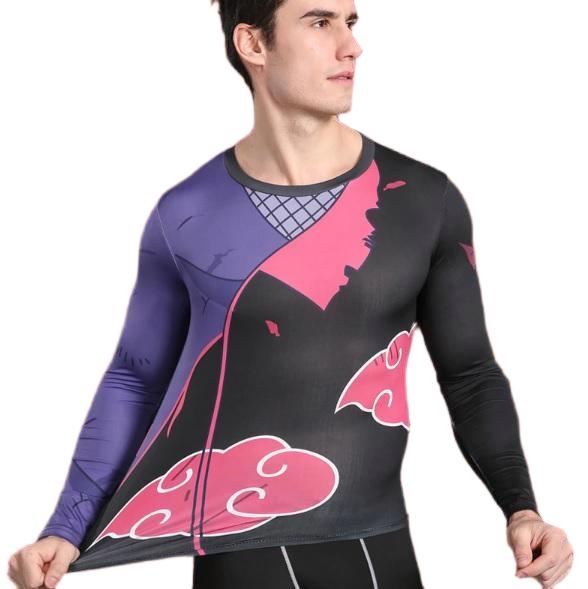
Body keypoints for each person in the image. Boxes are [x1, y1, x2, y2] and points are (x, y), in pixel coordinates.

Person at [7, 1, 574, 588]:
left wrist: (522, 509)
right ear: (253, 44)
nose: (351, 46)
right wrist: (65, 528)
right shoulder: (186, 216)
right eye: (320, 22)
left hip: (378, 551)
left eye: (351, 23)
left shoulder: (420, 200)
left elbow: (470, 375)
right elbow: (136, 378)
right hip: (237, 557)